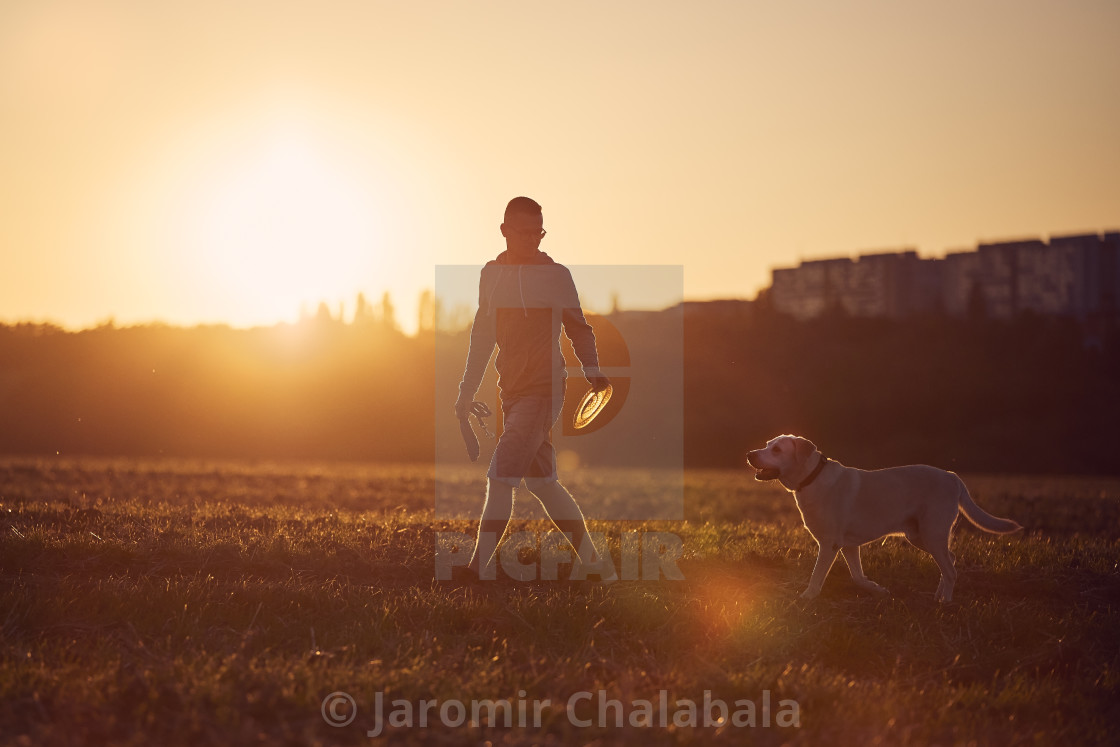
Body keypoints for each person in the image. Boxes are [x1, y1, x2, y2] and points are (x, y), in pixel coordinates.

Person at [455, 196, 614, 581]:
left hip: (544, 390)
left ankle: (478, 570)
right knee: (543, 484)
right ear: (505, 231)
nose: (532, 239)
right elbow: (482, 335)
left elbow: (579, 327)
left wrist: (592, 369)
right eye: (523, 232)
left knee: (500, 475)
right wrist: (466, 391)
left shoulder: (556, 276)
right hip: (510, 390)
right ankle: (598, 568)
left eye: (538, 232)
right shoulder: (490, 275)